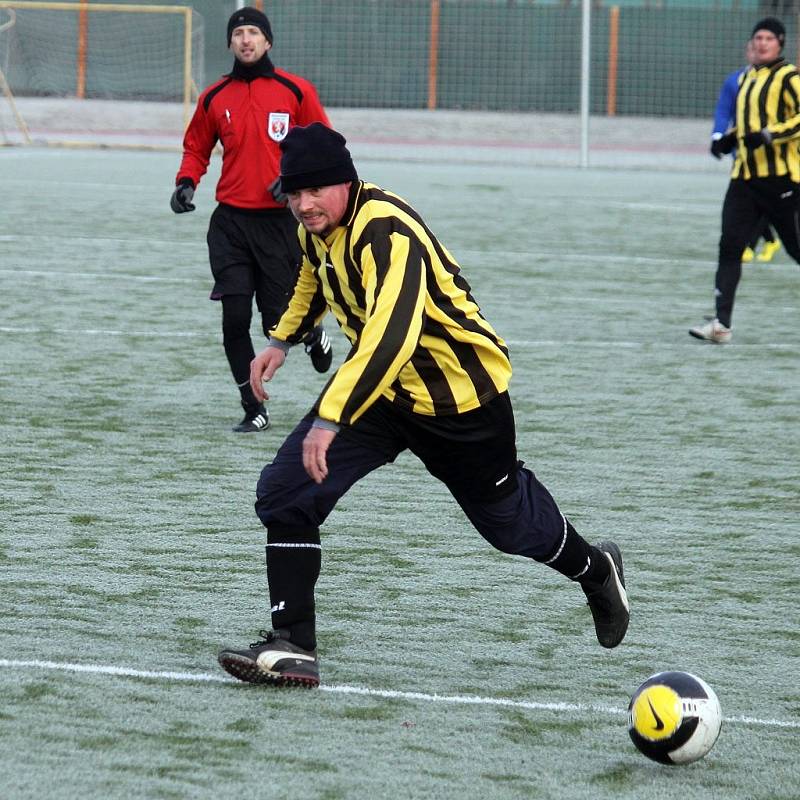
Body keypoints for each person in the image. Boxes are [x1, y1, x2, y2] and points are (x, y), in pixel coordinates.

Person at [216, 123, 630, 687]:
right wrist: (281, 339)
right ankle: (294, 644)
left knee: (510, 527)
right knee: (286, 490)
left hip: (460, 400)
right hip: (382, 394)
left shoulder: (387, 232)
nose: (303, 205)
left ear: (345, 182)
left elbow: (393, 339)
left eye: (314, 192)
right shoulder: (318, 226)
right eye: (293, 193)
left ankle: (595, 570)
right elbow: (314, 276)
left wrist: (330, 419)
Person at [170, 7, 333, 432]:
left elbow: (324, 143)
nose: (245, 40)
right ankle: (253, 407)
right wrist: (187, 181)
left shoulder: (294, 91)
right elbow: (197, 147)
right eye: (238, 33)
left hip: (280, 226)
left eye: (253, 33)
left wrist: (294, 179)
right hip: (230, 226)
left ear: (267, 42)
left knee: (277, 321)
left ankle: (313, 332)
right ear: (229, 42)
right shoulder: (214, 97)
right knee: (234, 319)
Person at [691, 17, 800, 343]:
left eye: (768, 38)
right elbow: (748, 125)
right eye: (758, 38)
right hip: (743, 181)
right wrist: (726, 140)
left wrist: (770, 136)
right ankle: (721, 325)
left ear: (780, 43)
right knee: (730, 247)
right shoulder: (747, 78)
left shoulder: (788, 76)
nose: (762, 43)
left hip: (781, 180)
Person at [710, 40, 780, 265]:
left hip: (775, 155)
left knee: (769, 201)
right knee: (749, 203)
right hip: (743, 155)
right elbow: (723, 111)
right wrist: (718, 137)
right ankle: (767, 240)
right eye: (752, 48)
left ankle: (749, 244)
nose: (758, 51)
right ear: (747, 52)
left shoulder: (781, 80)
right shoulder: (735, 81)